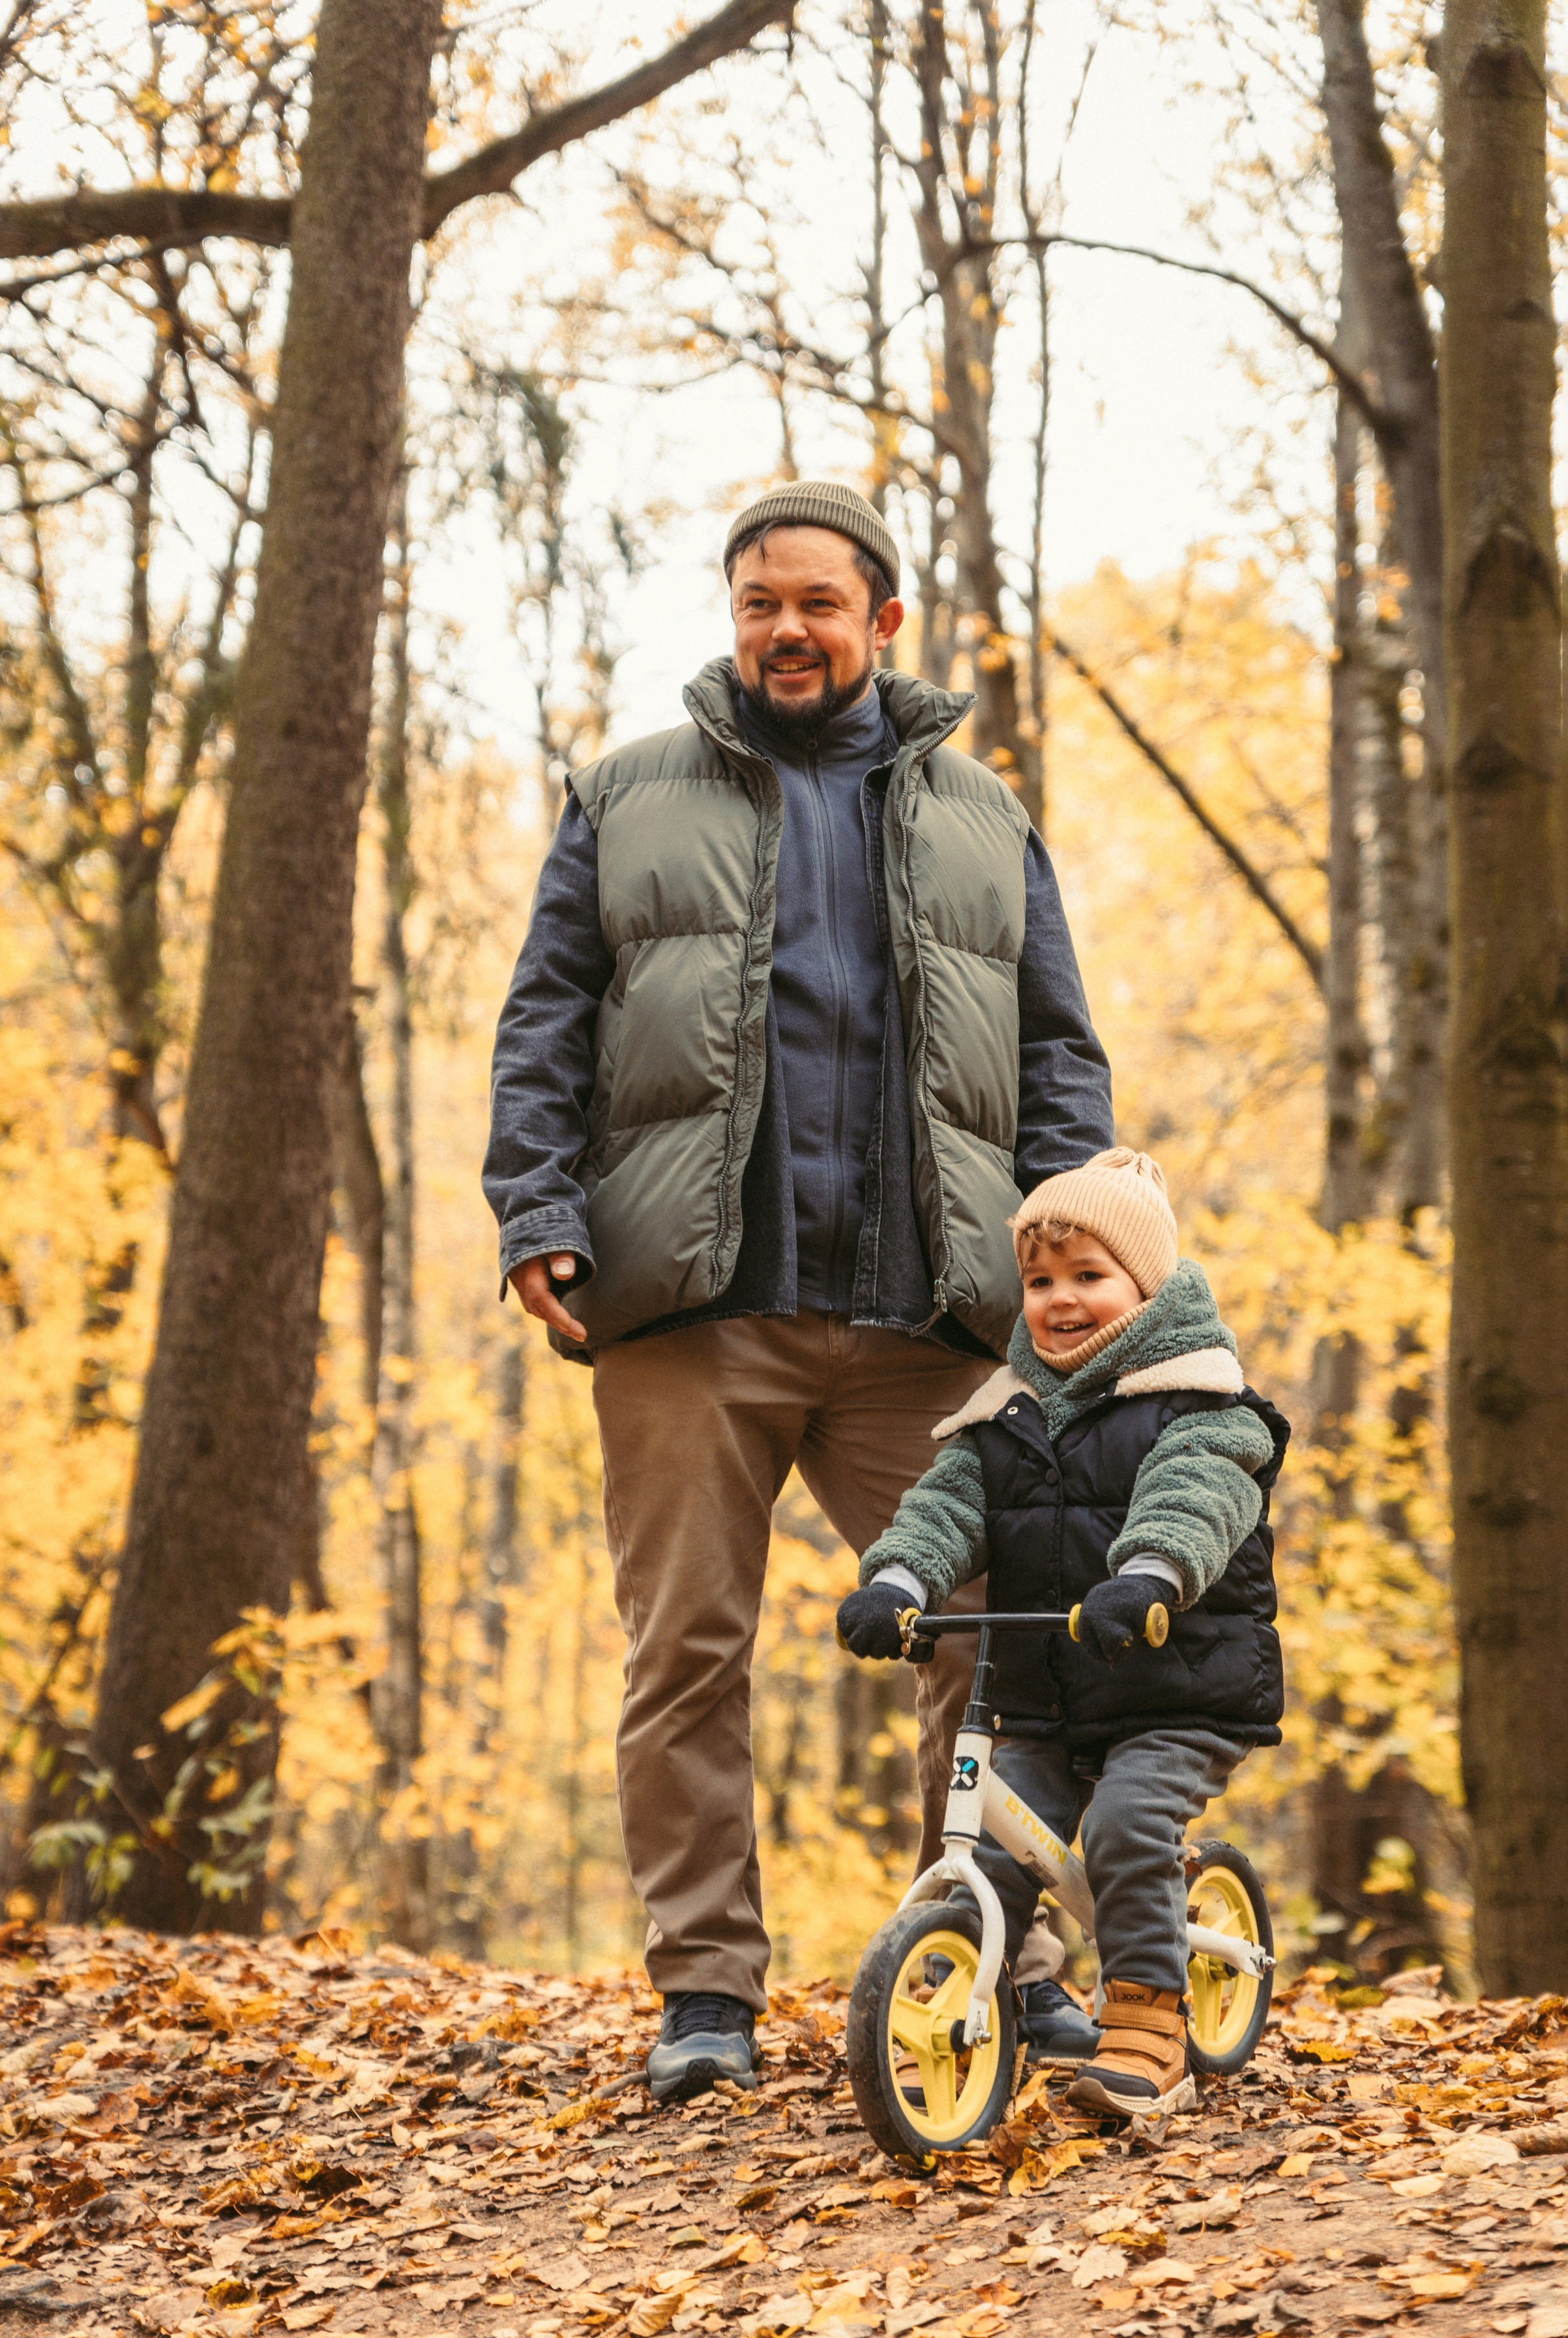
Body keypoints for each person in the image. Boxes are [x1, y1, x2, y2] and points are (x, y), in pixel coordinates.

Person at [484, 479, 1113, 2103]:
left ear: (880, 621)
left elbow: (1055, 1056)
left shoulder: (982, 815)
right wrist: (537, 1208)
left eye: (816, 602)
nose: (784, 627)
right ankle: (704, 1993)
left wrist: (1077, 1256)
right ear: (733, 614)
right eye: (758, 600)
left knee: (997, 1624)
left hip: (927, 1325)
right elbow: (545, 1019)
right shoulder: (623, 797)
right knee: (685, 1648)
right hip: (693, 1312)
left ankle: (992, 1947)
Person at [836, 1148, 1290, 2117]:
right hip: (1046, 1701)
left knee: (1127, 1826)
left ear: (1150, 1286)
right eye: (1041, 1281)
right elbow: (943, 1507)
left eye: (1090, 1275)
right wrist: (898, 1579)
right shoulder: (1007, 1413)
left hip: (1176, 1691)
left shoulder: (1203, 1404)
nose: (1061, 1299)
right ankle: (979, 2012)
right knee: (991, 1855)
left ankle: (1148, 2018)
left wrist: (1151, 1571)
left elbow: (1197, 1497)